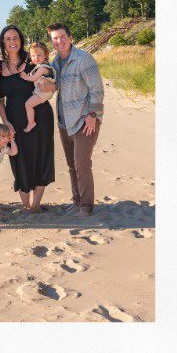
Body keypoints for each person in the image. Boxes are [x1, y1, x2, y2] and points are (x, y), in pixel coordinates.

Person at [0, 25, 56, 213]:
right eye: (8, 39)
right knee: (19, 158)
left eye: (15, 38)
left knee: (41, 156)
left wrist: (51, 87)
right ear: (3, 42)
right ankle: (26, 205)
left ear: (21, 40)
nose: (12, 42)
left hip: (41, 116)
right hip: (14, 119)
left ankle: (36, 205)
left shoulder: (33, 59)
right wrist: (5, 122)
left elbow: (51, 80)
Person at [47, 20, 105, 214]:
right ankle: (77, 200)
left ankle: (87, 206)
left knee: (82, 162)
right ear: (52, 41)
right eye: (55, 38)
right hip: (64, 121)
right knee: (72, 164)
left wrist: (92, 115)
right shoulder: (54, 64)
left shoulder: (83, 59)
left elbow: (97, 90)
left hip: (84, 119)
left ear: (70, 38)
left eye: (63, 37)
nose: (60, 41)